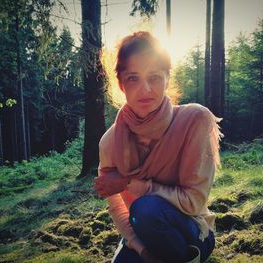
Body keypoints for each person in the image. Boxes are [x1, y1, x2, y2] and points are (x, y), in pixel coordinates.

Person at [94, 31, 222, 263]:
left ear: (167, 79)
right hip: (142, 230)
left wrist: (128, 183)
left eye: (154, 77)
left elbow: (193, 201)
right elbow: (119, 209)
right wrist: (142, 250)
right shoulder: (110, 142)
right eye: (133, 78)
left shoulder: (194, 120)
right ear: (121, 85)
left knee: (146, 209)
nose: (146, 89)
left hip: (192, 230)